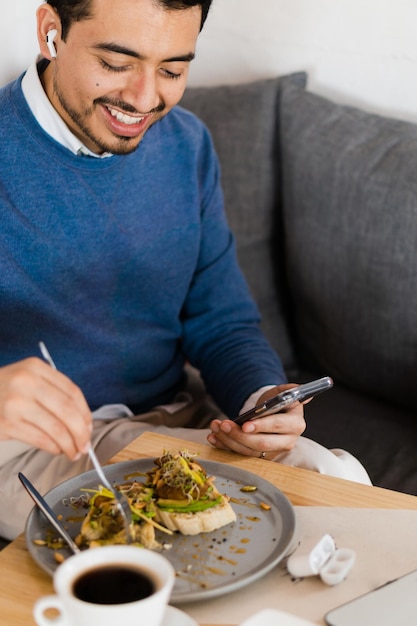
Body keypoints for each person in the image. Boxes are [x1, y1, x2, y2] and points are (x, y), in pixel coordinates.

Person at [0, 0, 370, 541]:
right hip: (31, 449)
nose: (147, 99)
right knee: (145, 549)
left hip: (174, 426)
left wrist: (260, 401)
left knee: (336, 484)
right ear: (51, 30)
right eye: (117, 63)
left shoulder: (187, 144)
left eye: (172, 70)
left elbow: (220, 320)